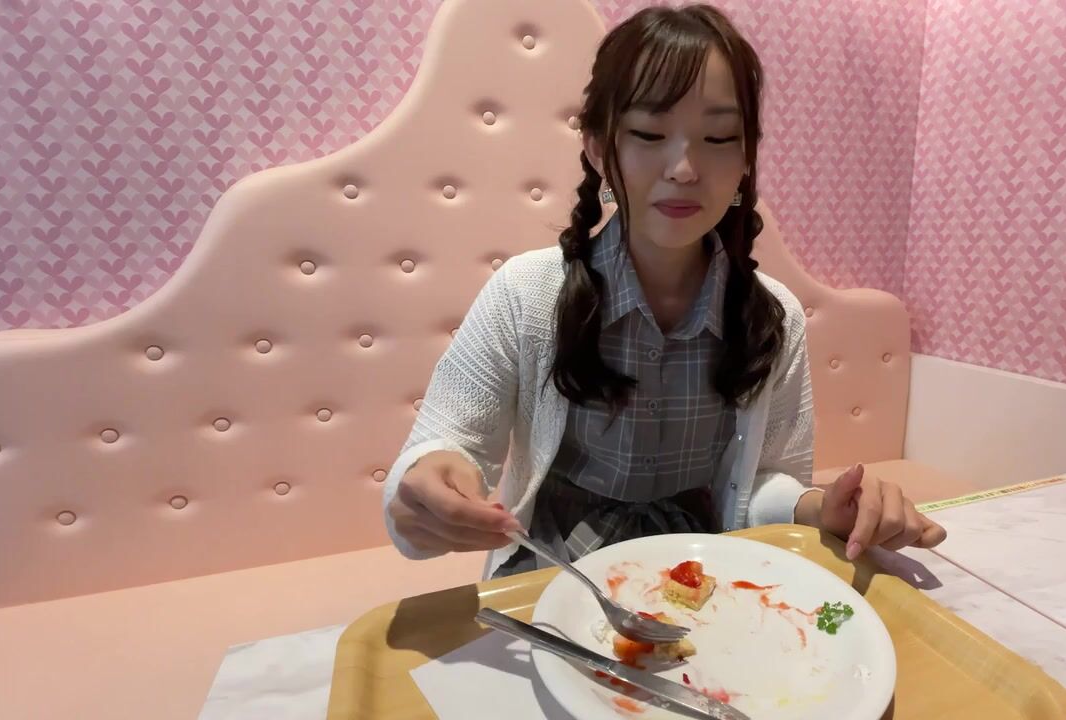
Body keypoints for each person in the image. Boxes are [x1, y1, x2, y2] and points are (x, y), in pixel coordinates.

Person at [384, 4, 945, 579]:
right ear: (599, 148)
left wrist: (822, 508)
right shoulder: (526, 297)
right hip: (555, 568)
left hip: (706, 569)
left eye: (719, 137)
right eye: (649, 134)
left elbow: (763, 483)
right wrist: (429, 484)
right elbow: (446, 441)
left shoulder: (771, 318)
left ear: (745, 156)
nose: (684, 168)